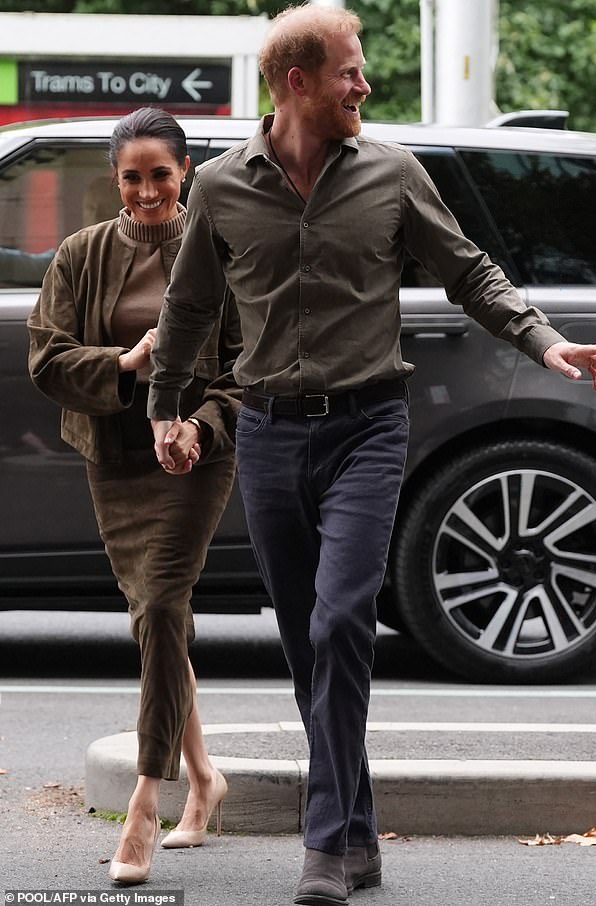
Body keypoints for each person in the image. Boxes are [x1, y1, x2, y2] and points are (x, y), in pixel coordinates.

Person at [147, 7, 596, 905]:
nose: (364, 85)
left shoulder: (393, 174)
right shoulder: (218, 186)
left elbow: (470, 269)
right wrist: (169, 410)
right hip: (271, 432)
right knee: (305, 644)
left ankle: (325, 848)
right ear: (297, 83)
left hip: (369, 426)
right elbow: (190, 310)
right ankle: (358, 835)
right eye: (349, 72)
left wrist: (545, 341)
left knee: (339, 626)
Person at [27, 107, 241, 885]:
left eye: (160, 173)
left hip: (192, 458)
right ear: (114, 180)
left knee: (157, 606)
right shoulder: (82, 253)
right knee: (159, 616)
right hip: (114, 456)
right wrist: (126, 360)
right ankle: (207, 777)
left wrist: (199, 428)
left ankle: (147, 805)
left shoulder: (220, 251)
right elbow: (48, 359)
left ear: (184, 171)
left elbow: (247, 372)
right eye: (131, 176)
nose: (147, 190)